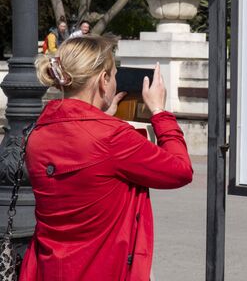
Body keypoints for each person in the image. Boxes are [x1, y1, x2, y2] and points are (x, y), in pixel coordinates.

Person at [20, 36, 193, 280]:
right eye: (113, 74)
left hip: (49, 269)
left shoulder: (38, 132)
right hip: (103, 268)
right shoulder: (113, 137)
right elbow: (180, 170)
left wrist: (100, 114)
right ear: (104, 80)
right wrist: (160, 112)